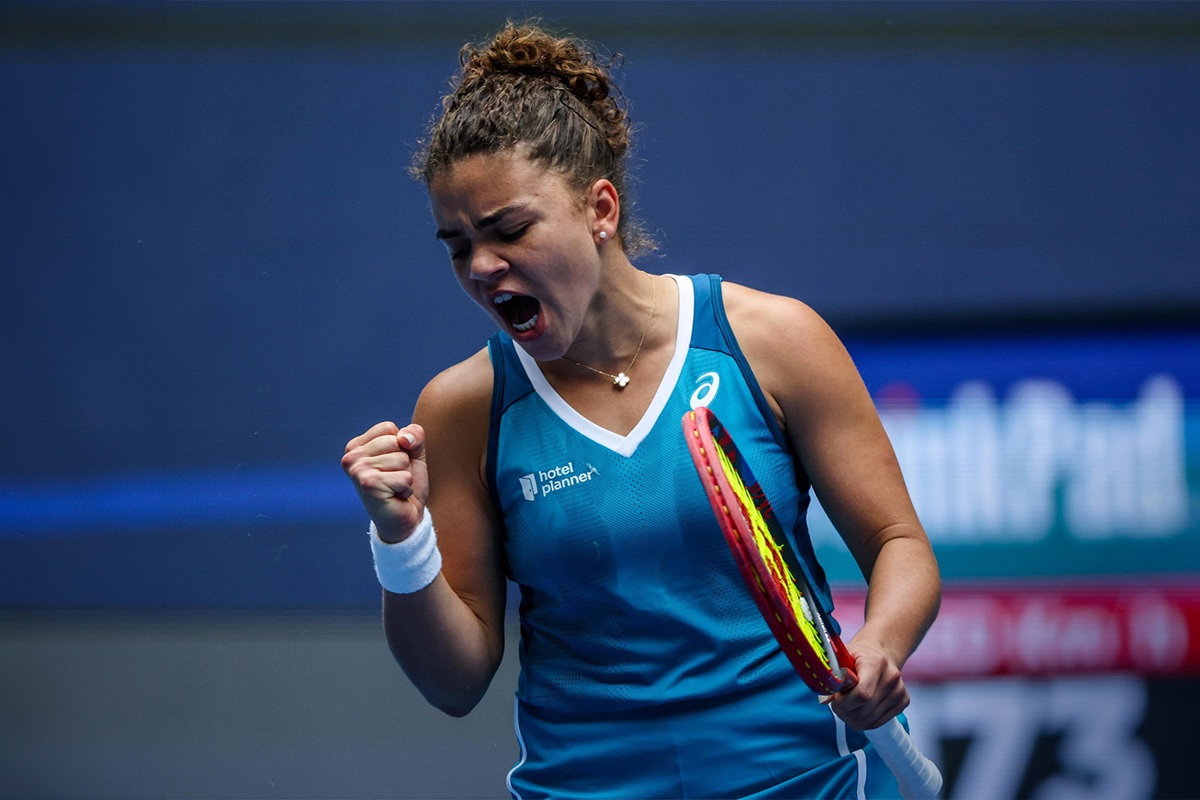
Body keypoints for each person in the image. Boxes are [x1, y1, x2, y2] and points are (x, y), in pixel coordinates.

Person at [342, 21, 941, 799]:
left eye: (509, 229)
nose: (482, 266)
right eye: (457, 246)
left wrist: (880, 644)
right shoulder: (463, 409)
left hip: (805, 783)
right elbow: (452, 685)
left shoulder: (771, 342)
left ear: (600, 208)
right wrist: (400, 540)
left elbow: (899, 544)